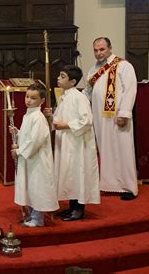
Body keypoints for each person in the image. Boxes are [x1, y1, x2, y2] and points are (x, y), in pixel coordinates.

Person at [83, 37, 138, 200]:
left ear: (110, 48)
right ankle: (110, 184)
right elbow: (87, 92)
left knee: (123, 149)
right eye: (96, 50)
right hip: (100, 118)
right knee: (105, 149)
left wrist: (124, 113)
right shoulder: (93, 70)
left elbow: (130, 90)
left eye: (102, 49)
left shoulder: (124, 66)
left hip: (117, 116)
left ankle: (128, 187)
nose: (99, 53)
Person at [47, 66, 100, 221]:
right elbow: (58, 119)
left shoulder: (79, 97)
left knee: (78, 173)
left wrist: (66, 125)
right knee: (69, 174)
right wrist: (51, 118)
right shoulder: (64, 97)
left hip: (78, 143)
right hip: (66, 142)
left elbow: (87, 120)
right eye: (59, 75)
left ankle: (79, 208)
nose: (58, 78)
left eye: (62, 76)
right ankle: (71, 206)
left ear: (72, 81)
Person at [9, 82, 58, 227]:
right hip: (29, 159)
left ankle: (38, 218)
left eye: (33, 98)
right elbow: (27, 136)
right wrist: (17, 132)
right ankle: (31, 215)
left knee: (37, 186)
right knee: (30, 186)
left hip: (38, 161)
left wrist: (18, 151)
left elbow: (35, 141)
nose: (28, 100)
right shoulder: (29, 115)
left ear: (42, 101)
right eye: (27, 96)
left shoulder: (38, 117)